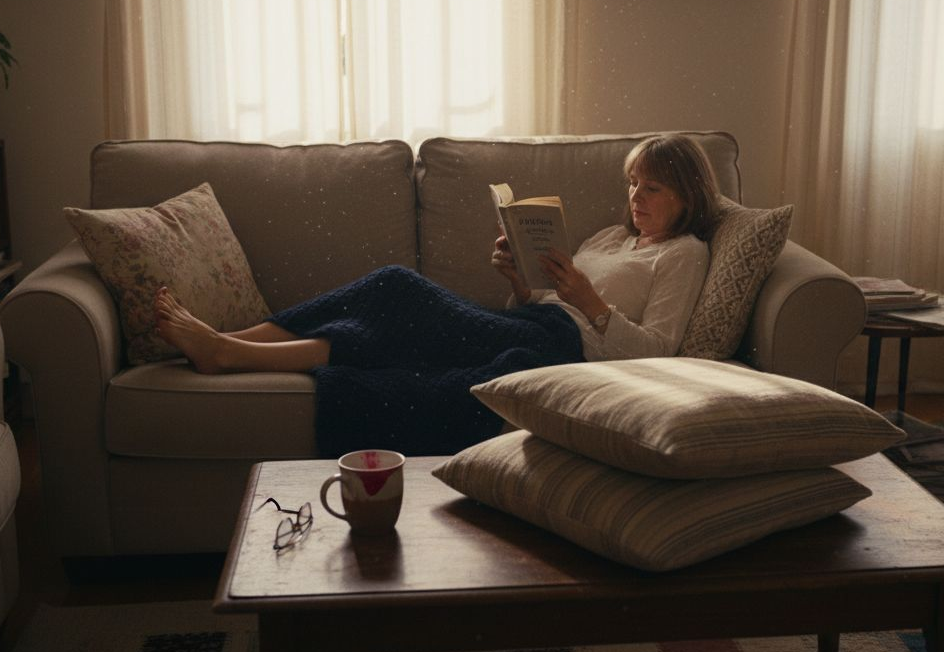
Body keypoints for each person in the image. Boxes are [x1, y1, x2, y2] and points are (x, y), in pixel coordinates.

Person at [154, 133, 719, 455]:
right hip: (534, 326)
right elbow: (540, 306)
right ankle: (226, 345)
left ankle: (229, 351)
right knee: (387, 319)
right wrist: (522, 283)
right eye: (632, 183)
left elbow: (659, 354)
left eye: (652, 187)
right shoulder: (610, 235)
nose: (636, 196)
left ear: (686, 194)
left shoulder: (683, 253)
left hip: (563, 352)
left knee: (395, 287)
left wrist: (592, 303)